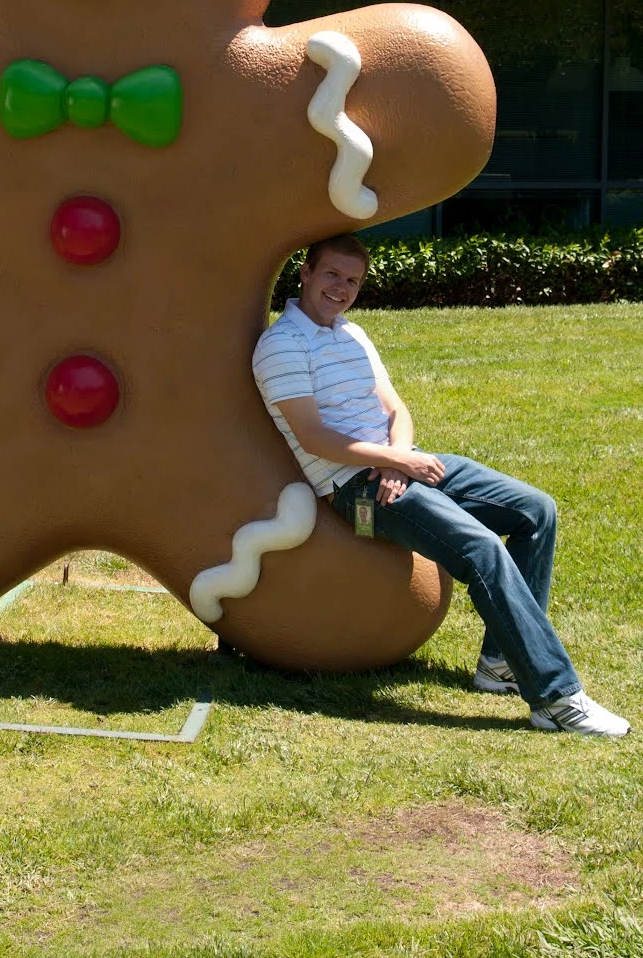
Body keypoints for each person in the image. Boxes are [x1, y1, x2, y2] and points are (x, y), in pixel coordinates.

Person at [253, 234, 630, 739]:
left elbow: (395, 409)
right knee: (480, 550)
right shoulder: (280, 345)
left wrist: (400, 459)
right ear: (305, 273)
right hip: (354, 490)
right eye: (332, 275)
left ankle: (499, 665)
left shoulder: (353, 335)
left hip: (398, 466)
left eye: (353, 281)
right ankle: (556, 699)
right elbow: (313, 437)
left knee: (536, 512)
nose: (341, 289)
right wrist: (393, 462)